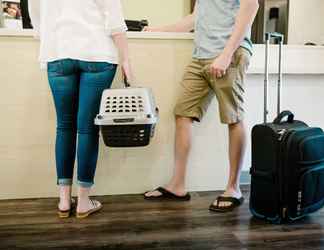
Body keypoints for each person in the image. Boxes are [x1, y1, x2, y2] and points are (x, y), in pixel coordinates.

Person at [144, 0, 259, 212]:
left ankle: (233, 188)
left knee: (233, 118)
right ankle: (177, 185)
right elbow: (194, 18)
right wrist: (155, 30)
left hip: (229, 54)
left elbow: (251, 6)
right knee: (182, 114)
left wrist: (226, 55)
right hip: (200, 57)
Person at [28, 0, 133, 218]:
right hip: (97, 54)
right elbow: (114, 20)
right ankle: (84, 201)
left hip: (57, 54)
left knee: (64, 127)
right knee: (87, 129)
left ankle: (64, 200)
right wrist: (127, 60)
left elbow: (36, 19)